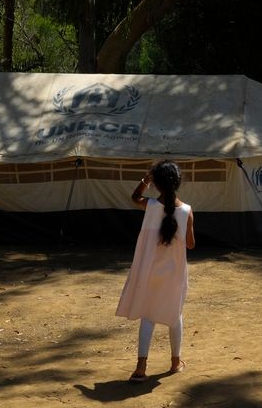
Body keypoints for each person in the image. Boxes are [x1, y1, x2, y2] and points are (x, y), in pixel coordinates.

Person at [115, 160, 196, 383]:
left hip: (150, 270)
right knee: (174, 314)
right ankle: (174, 362)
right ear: (178, 183)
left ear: (156, 185)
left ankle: (141, 367)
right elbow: (190, 245)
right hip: (175, 273)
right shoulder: (187, 211)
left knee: (148, 315)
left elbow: (134, 198)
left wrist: (144, 181)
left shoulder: (150, 206)